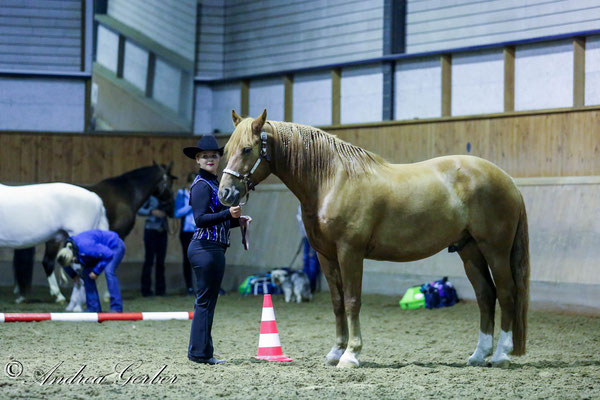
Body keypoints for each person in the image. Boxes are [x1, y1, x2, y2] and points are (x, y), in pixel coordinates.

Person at [183, 134, 249, 365]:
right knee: (205, 302)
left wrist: (235, 221)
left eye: (213, 156)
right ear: (198, 161)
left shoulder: (213, 183)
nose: (210, 159)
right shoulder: (202, 185)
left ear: (219, 158)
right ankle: (201, 354)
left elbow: (216, 219)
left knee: (206, 302)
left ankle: (201, 352)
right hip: (206, 248)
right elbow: (200, 219)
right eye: (205, 157)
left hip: (212, 248)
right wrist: (227, 214)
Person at [56, 230, 126, 313]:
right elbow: (65, 264)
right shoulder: (67, 250)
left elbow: (108, 254)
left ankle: (117, 308)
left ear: (73, 257)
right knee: (87, 274)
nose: (73, 263)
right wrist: (73, 275)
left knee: (109, 271)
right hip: (99, 251)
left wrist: (96, 271)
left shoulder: (85, 247)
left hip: (114, 246)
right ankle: (93, 308)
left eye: (72, 261)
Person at [137, 194, 170, 297]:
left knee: (161, 261)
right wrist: (151, 212)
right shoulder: (150, 196)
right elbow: (139, 209)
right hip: (151, 230)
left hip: (162, 230)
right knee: (149, 260)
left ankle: (160, 289)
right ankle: (146, 289)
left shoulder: (167, 197)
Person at [174, 172, 197, 296]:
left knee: (201, 260)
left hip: (199, 231)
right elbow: (177, 213)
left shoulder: (201, 193)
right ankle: (189, 287)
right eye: (191, 184)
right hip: (186, 232)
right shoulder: (181, 194)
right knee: (187, 259)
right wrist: (191, 205)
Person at [297, 205, 321, 292]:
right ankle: (306, 285)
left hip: (312, 236)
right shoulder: (302, 204)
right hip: (306, 236)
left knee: (311, 260)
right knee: (306, 261)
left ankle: (310, 286)